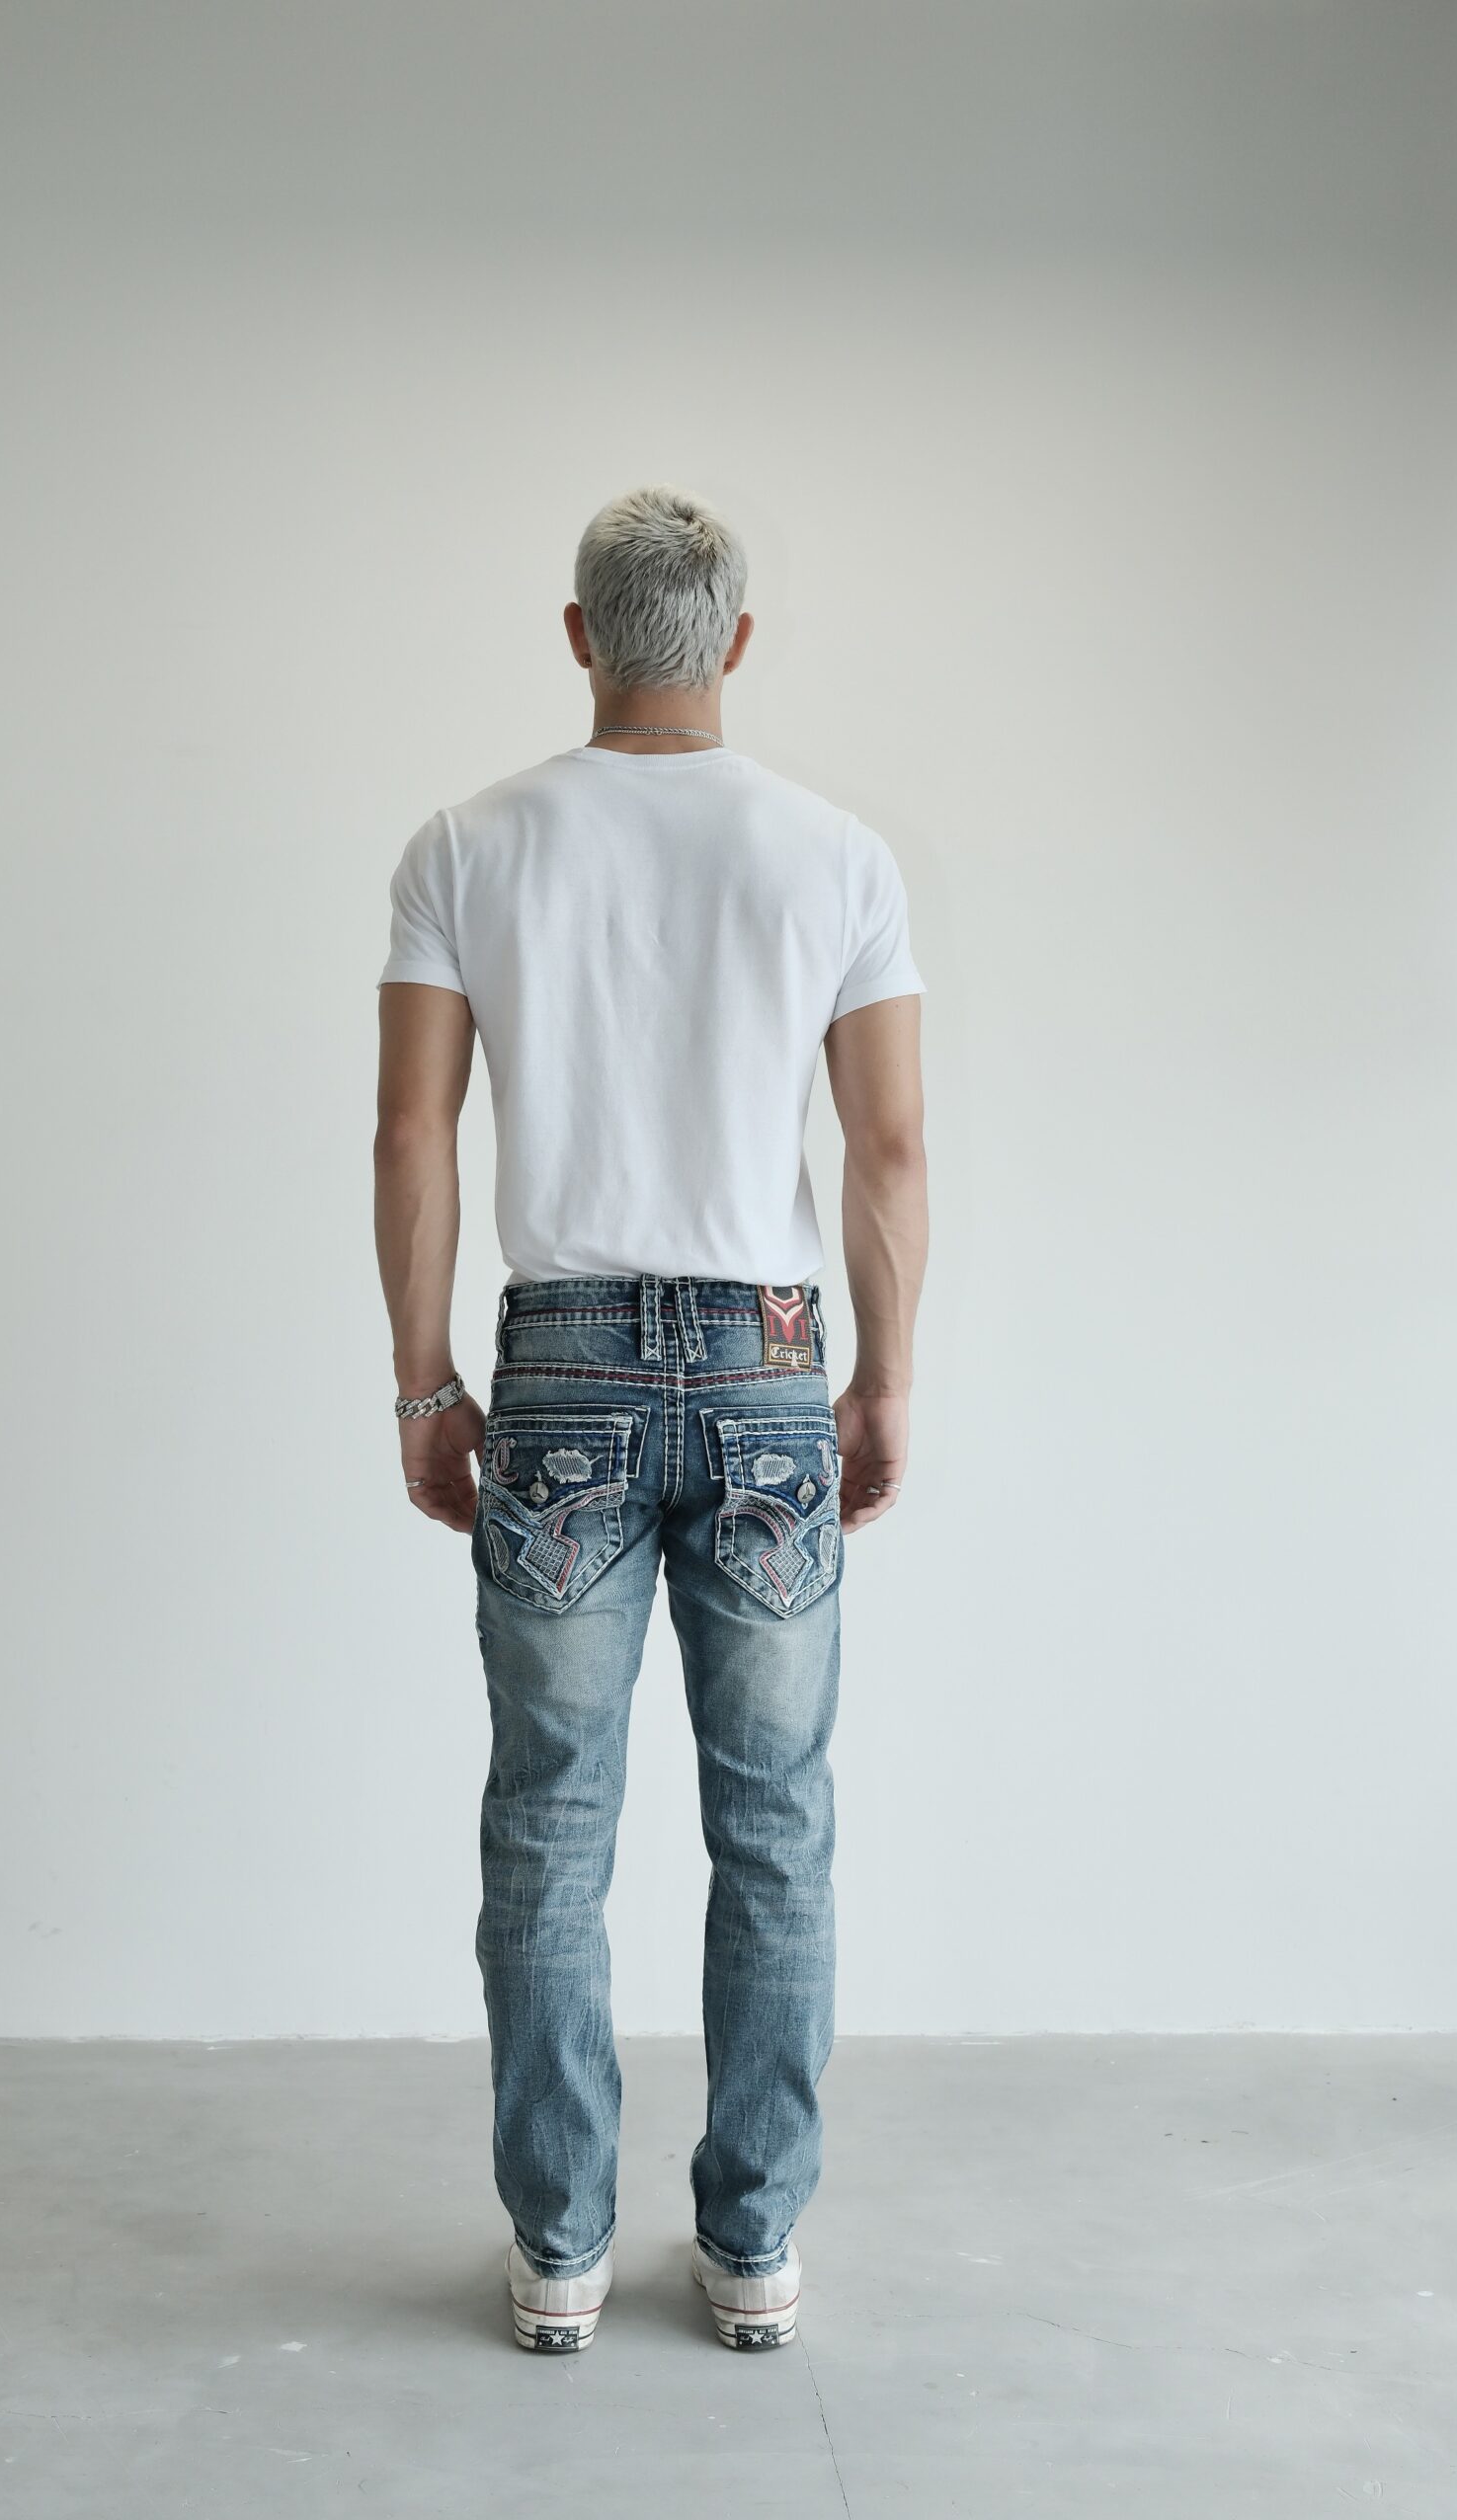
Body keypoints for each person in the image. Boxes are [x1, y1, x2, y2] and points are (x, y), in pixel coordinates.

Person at [373, 485, 927, 2353]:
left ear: (578, 636)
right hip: (769, 1367)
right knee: (776, 1825)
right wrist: (883, 1376)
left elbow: (412, 1133)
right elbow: (890, 1149)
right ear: (738, 642)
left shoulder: (467, 845)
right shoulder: (836, 855)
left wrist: (425, 1379)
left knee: (550, 1822)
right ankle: (753, 2246)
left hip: (561, 1374)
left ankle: (558, 2251)